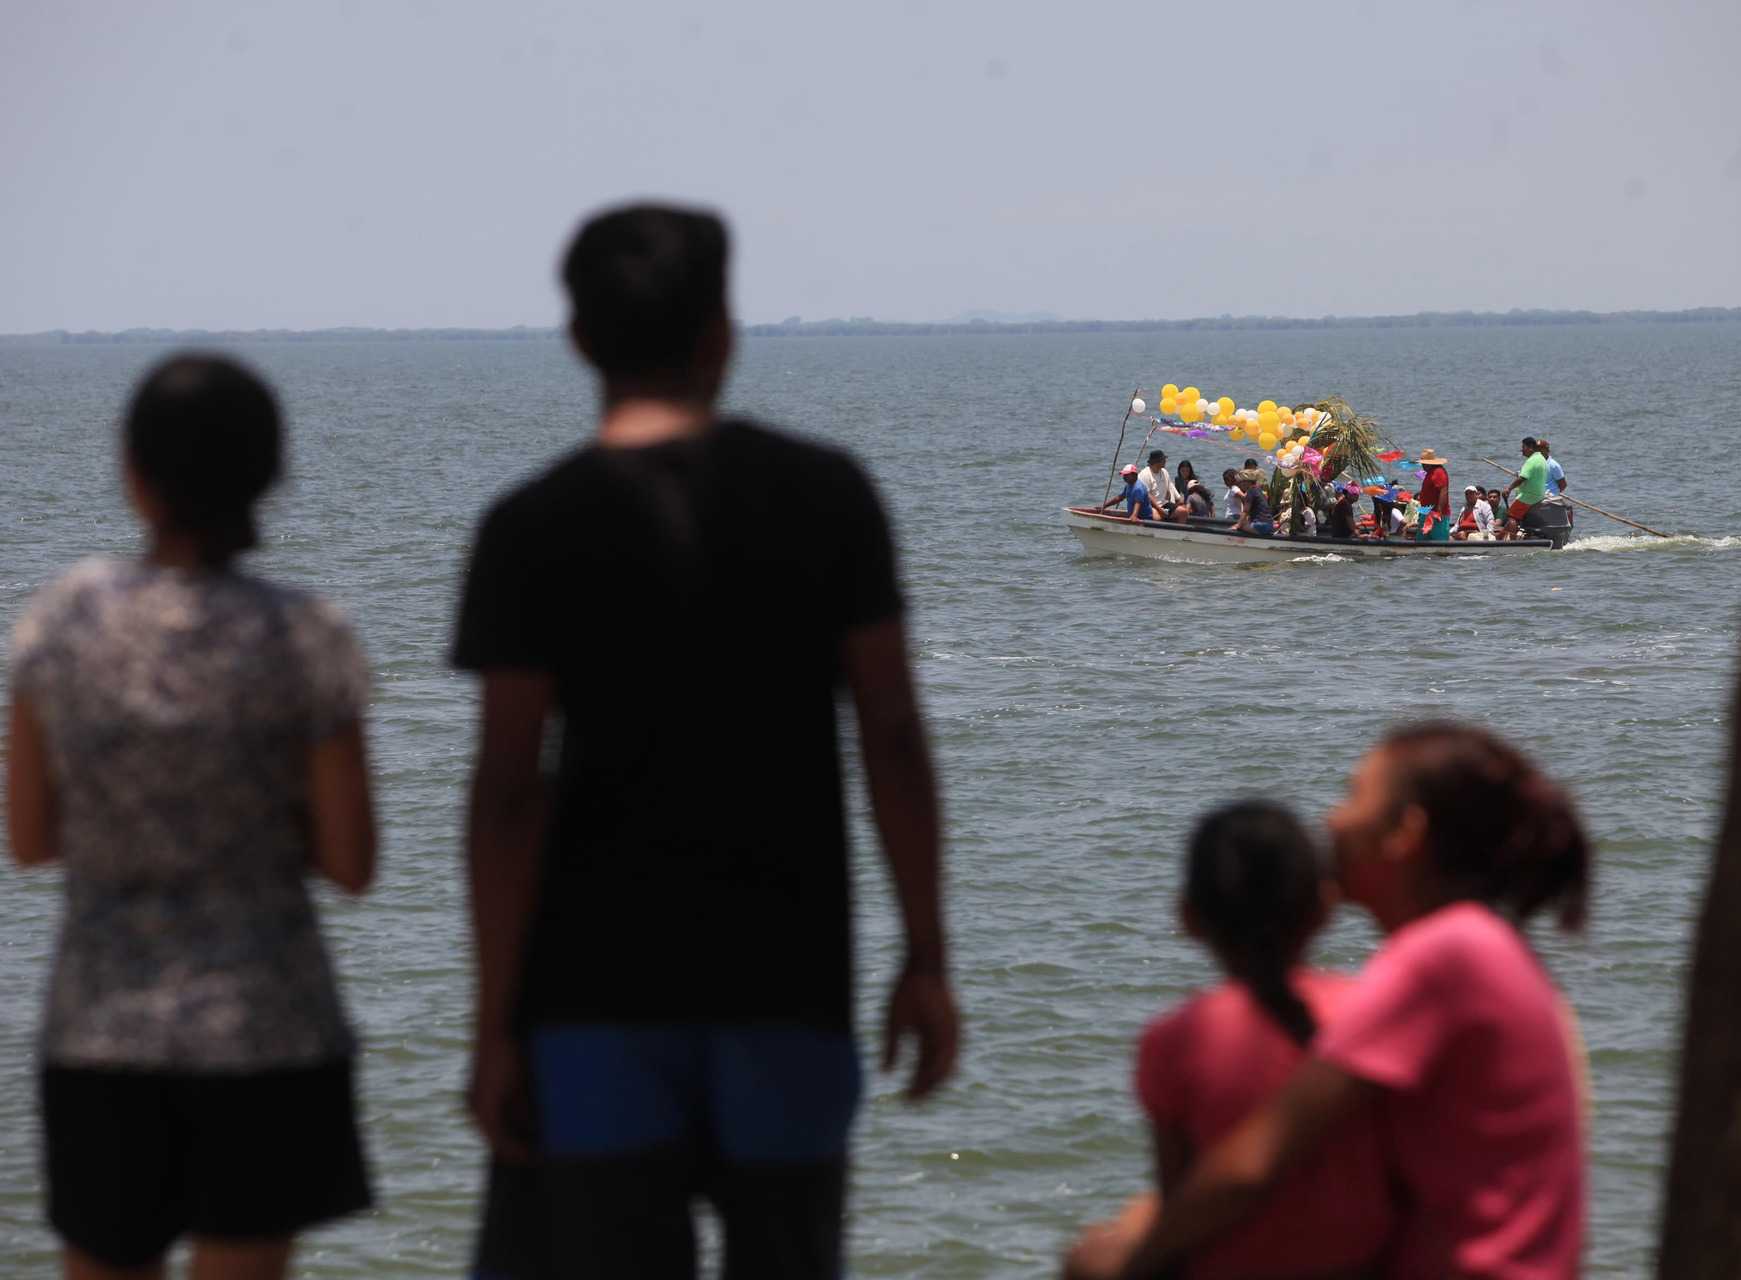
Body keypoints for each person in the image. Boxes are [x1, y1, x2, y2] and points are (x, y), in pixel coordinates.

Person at [454, 205, 959, 1280]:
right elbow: (894, 732)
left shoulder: (530, 526)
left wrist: (495, 1024)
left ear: (578, 339)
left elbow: (508, 792)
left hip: (595, 1000)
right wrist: (926, 953)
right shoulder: (829, 496)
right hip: (789, 982)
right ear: (722, 332)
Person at [7, 354, 378, 1280]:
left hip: (100, 1028)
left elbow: (31, 838)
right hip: (267, 1027)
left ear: (133, 474)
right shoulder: (306, 633)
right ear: (270, 475)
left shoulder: (60, 622)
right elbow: (352, 861)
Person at [1066, 724, 1589, 1280]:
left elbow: (1256, 1161)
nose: (1331, 819)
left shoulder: (1438, 958)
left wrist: (1133, 1263)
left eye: (1353, 794)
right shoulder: (1485, 944)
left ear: (1405, 834)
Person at [1070, 803, 1395, 1280]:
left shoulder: (1175, 1038)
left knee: (1087, 1258)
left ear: (1189, 918)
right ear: (1324, 910)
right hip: (1365, 1264)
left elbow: (1180, 1202)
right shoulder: (1374, 1012)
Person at [1500, 438, 1550, 540]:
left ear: (1531, 448)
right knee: (1514, 517)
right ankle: (1500, 538)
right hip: (1538, 495)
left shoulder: (1532, 460)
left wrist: (1509, 489)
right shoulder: (1542, 459)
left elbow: (1522, 478)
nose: (1521, 449)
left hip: (1528, 496)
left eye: (1523, 447)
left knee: (1511, 517)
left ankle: (1513, 543)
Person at [1413, 450, 1451, 542]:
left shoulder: (1438, 472)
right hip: (1426, 513)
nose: (1423, 465)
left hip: (1436, 514)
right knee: (1421, 541)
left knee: (1439, 541)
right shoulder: (1430, 472)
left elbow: (1443, 490)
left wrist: (1439, 511)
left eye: (1424, 463)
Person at [1142, 450, 1188, 523]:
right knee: (1157, 518)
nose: (1165, 461)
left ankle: (1176, 529)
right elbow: (1147, 496)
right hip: (1150, 505)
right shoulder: (1145, 475)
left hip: (1164, 504)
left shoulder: (1164, 472)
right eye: (1163, 460)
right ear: (1157, 462)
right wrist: (1159, 509)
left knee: (1183, 512)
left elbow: (1168, 492)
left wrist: (1169, 506)